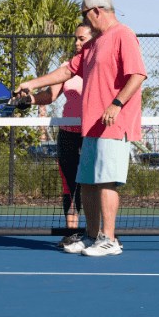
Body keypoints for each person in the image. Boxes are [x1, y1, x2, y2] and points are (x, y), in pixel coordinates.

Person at [16, 0, 147, 257]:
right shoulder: (93, 44)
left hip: (113, 123)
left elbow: (138, 75)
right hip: (91, 126)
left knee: (106, 182)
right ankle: (91, 237)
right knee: (87, 182)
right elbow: (66, 71)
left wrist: (116, 104)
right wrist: (31, 83)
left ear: (97, 11)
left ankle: (108, 239)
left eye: (84, 15)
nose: (84, 20)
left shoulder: (123, 34)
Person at [25, 22, 95, 247]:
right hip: (67, 133)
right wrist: (31, 99)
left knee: (95, 184)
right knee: (70, 185)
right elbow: (51, 95)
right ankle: (72, 232)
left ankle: (100, 233)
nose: (76, 42)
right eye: (75, 38)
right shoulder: (67, 67)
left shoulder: (100, 66)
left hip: (92, 133)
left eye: (81, 39)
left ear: (93, 39)